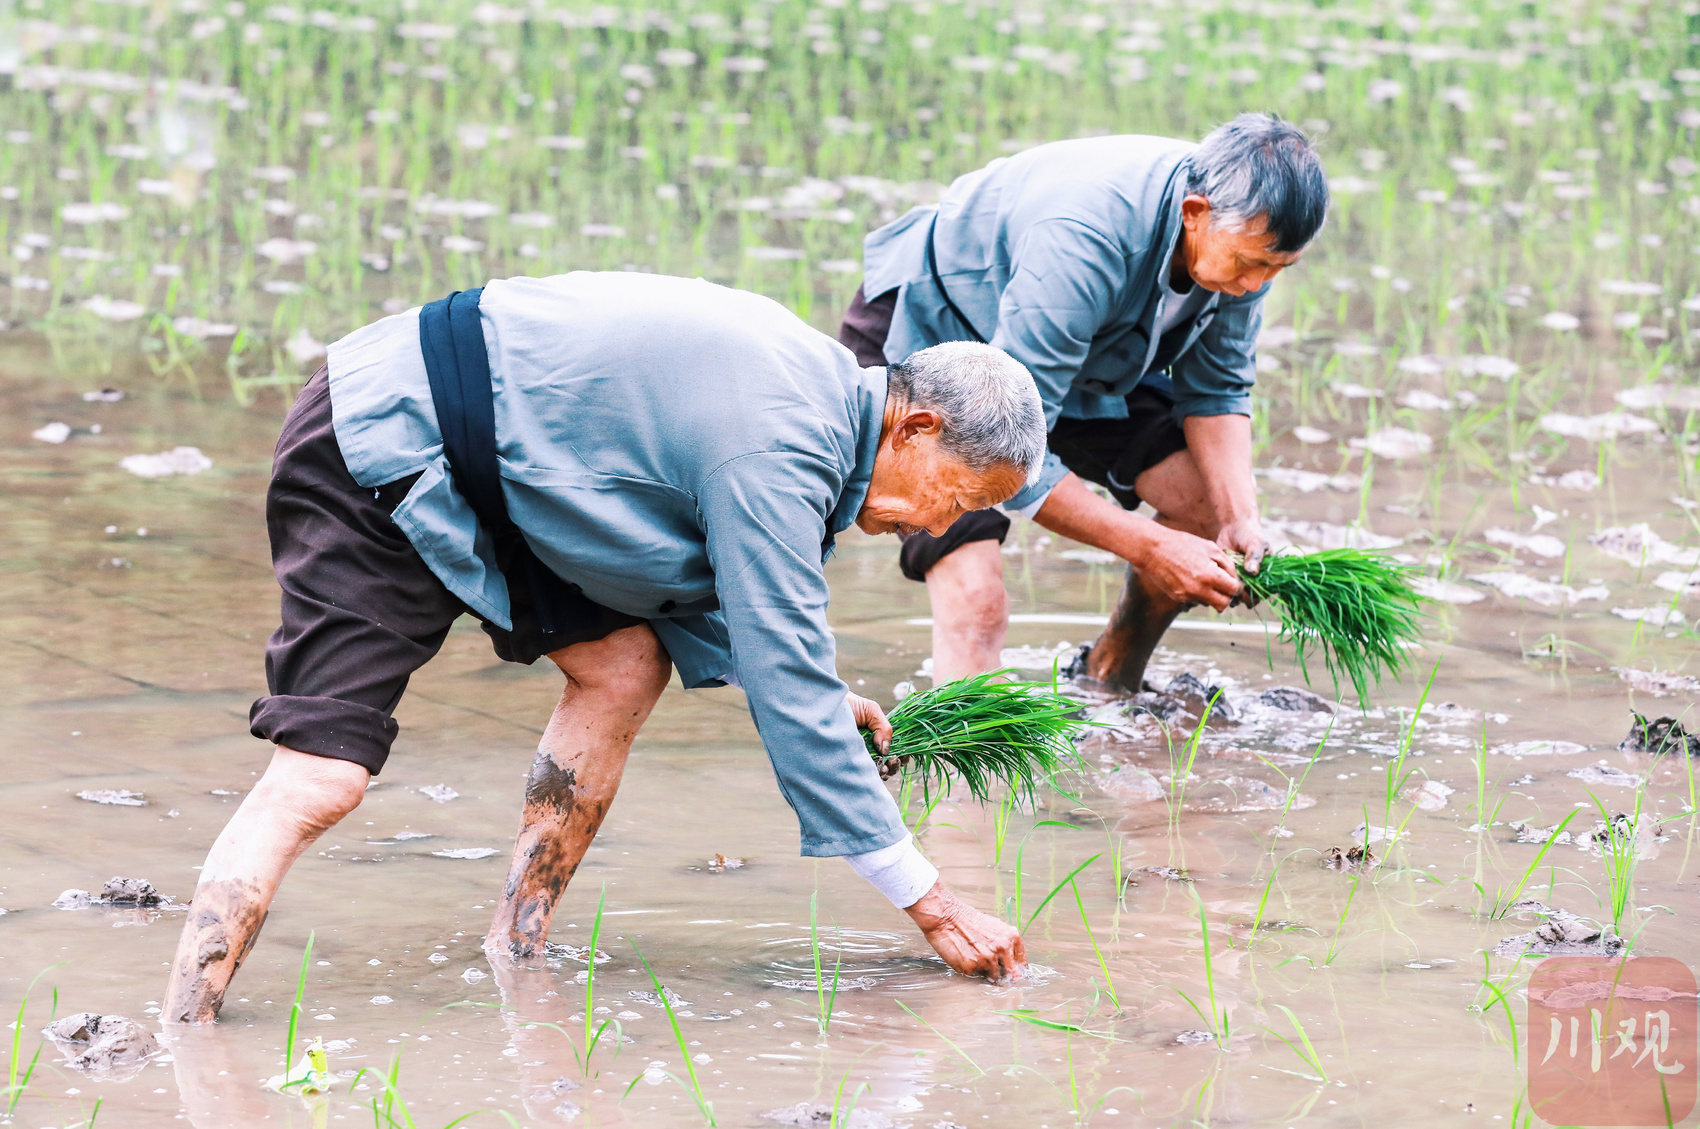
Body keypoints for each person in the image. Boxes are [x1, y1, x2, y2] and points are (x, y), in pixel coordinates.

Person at [163, 271, 1050, 1024]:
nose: (939, 525)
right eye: (957, 496)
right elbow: (786, 673)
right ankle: (183, 1028)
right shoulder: (785, 445)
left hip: (501, 464)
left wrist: (815, 690)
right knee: (323, 777)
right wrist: (931, 904)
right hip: (390, 428)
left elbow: (735, 601)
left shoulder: (819, 406)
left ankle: (516, 942)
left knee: (622, 666)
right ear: (917, 428)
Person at [838, 113, 1329, 692]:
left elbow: (1217, 389)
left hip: (1094, 354)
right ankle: (971, 771)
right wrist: (1151, 546)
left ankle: (1107, 677)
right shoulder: (1084, 233)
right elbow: (1017, 452)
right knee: (976, 602)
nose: (1256, 284)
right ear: (1194, 214)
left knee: (1204, 510)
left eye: (1277, 268)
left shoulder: (1241, 235)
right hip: (936, 336)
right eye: (1251, 263)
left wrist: (1239, 519)